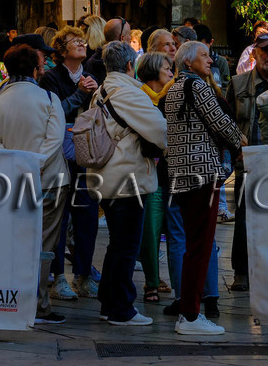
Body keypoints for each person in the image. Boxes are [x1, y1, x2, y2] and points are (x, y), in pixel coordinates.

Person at [164, 38, 246, 337]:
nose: (210, 60)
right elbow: (220, 122)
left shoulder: (173, 88)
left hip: (181, 173)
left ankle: (188, 309)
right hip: (201, 173)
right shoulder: (197, 86)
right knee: (201, 245)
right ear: (188, 61)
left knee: (193, 245)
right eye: (204, 55)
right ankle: (190, 315)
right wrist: (241, 141)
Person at [0, 41, 69, 325]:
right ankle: (39, 304)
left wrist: (19, 166)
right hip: (50, 180)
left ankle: (13, 301)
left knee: (16, 240)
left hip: (12, 182)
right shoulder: (49, 98)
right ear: (35, 69)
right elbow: (55, 139)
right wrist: (36, 163)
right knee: (44, 242)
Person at [89, 41, 169, 328]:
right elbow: (159, 129)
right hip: (127, 179)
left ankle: (109, 302)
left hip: (108, 176)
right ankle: (121, 309)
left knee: (118, 243)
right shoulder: (128, 92)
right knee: (126, 245)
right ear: (129, 65)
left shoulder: (103, 90)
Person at [43, 27, 99, 298]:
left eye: (82, 40)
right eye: (73, 41)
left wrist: (96, 97)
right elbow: (53, 113)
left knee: (87, 214)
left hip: (87, 154)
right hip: (60, 156)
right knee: (60, 217)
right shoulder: (51, 78)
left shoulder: (92, 77)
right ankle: (57, 277)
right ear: (61, 50)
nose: (81, 43)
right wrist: (79, 94)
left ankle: (83, 274)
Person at [226, 31, 268, 290]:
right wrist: (235, 145)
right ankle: (241, 272)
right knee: (244, 217)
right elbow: (225, 120)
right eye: (265, 50)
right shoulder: (238, 83)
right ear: (254, 53)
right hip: (247, 162)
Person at [135, 50, 174, 302]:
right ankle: (151, 282)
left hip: (175, 173)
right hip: (150, 173)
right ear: (152, 72)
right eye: (166, 69)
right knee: (150, 230)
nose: (171, 73)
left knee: (176, 232)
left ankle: (179, 281)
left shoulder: (174, 95)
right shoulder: (139, 98)